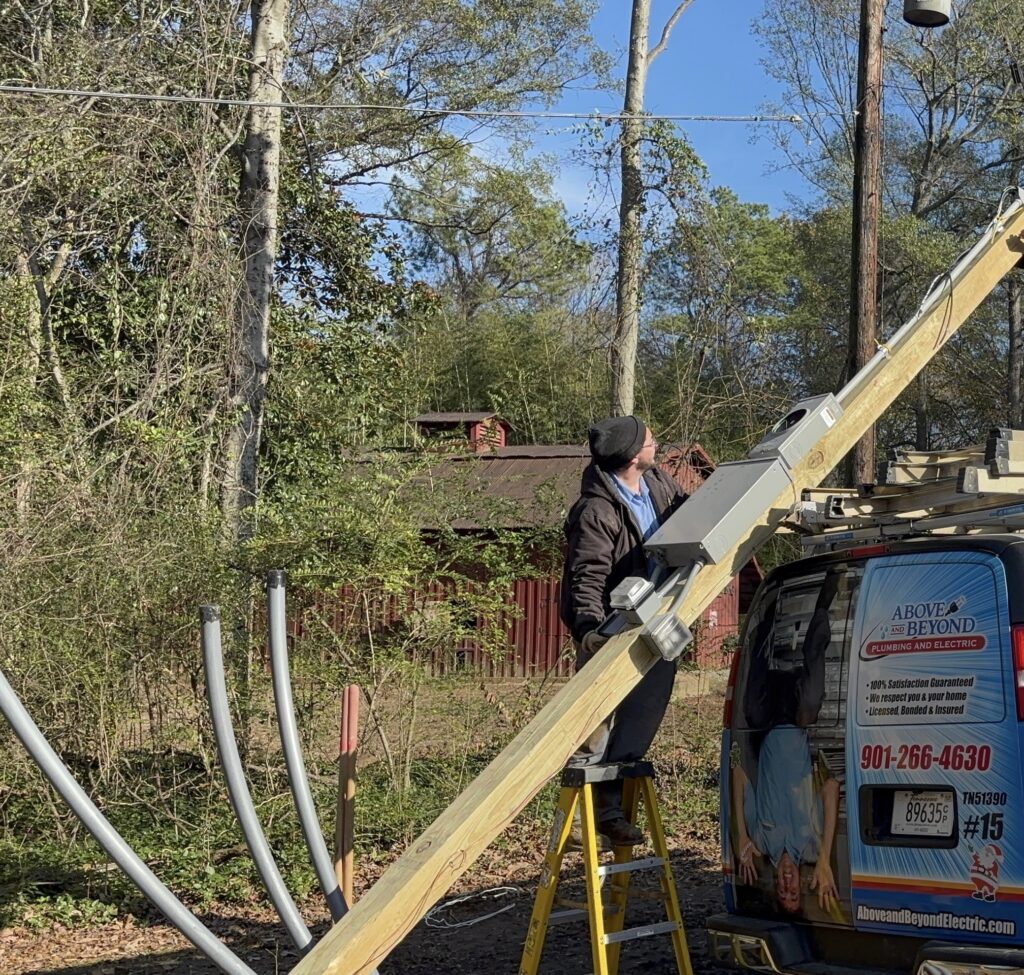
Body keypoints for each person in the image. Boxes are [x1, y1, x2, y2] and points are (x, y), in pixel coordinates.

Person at [559, 415, 686, 846]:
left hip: (659, 623)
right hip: (611, 630)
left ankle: (609, 812)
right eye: (649, 439)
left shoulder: (660, 485)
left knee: (639, 724)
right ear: (632, 455)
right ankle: (580, 820)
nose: (656, 442)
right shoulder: (596, 510)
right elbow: (587, 576)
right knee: (594, 728)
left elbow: (694, 518)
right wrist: (589, 631)